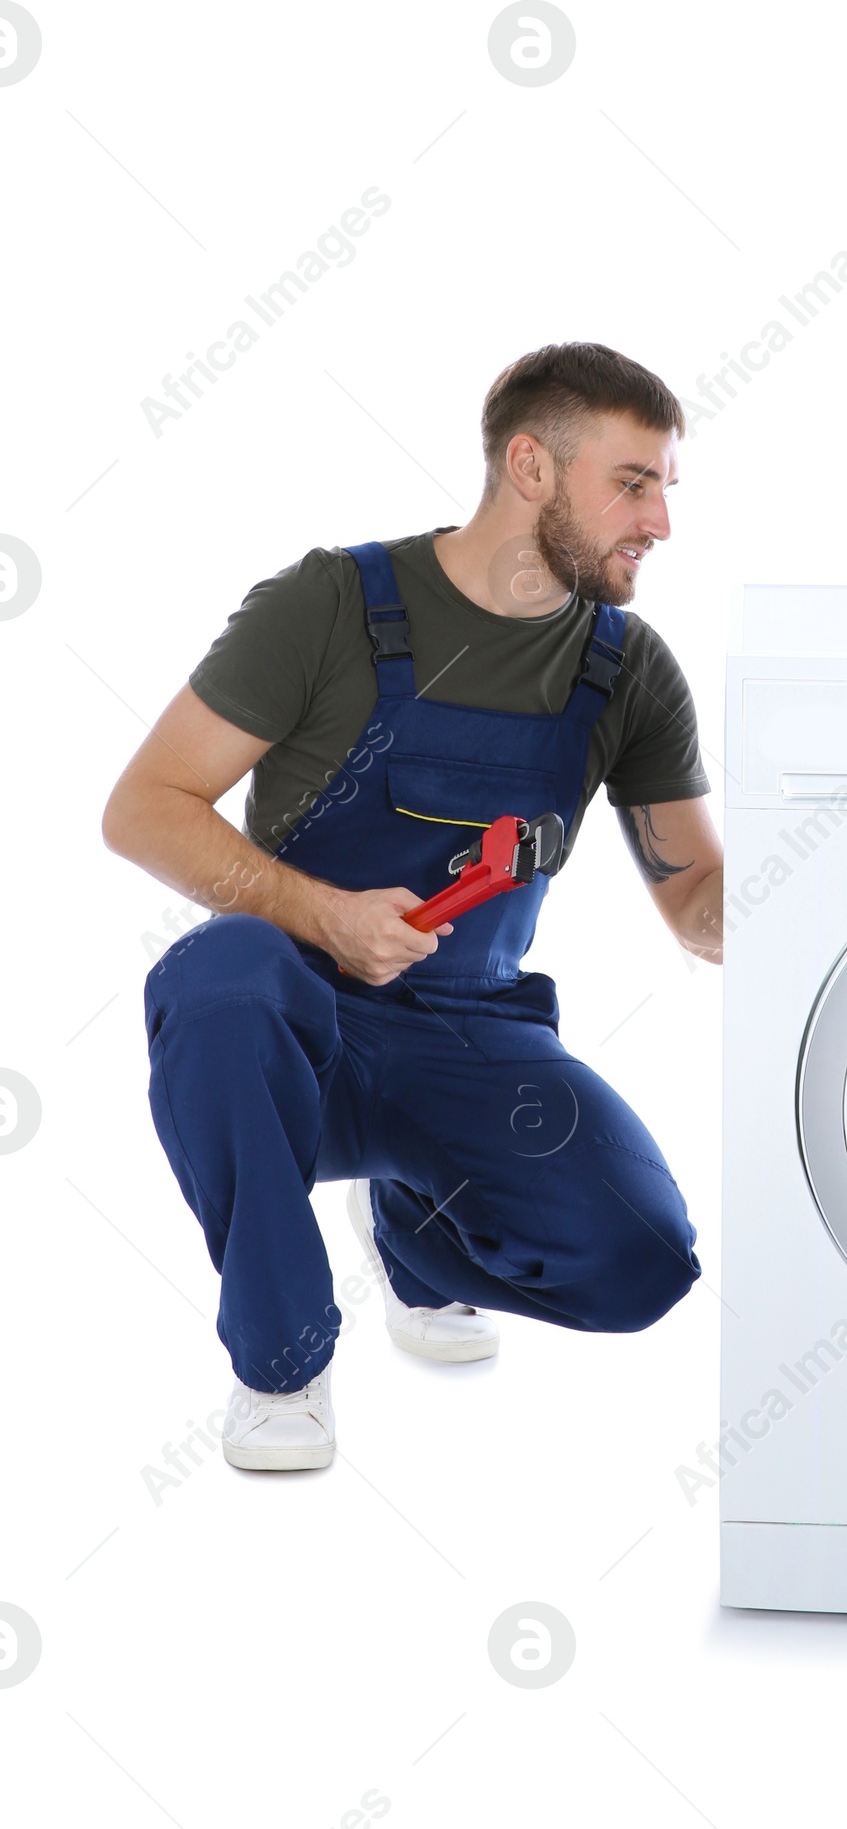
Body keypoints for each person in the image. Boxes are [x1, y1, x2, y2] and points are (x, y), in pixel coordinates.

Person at [103, 343, 720, 1472]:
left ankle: (417, 1235)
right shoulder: (330, 605)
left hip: (477, 1036)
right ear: (531, 466)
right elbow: (144, 807)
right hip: (300, 1018)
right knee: (218, 977)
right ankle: (281, 1362)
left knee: (641, 1265)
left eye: (668, 486)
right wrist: (326, 914)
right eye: (635, 482)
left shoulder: (627, 670)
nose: (662, 520)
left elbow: (698, 904)